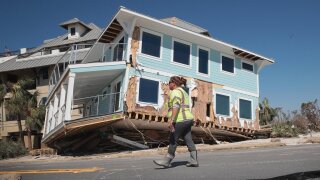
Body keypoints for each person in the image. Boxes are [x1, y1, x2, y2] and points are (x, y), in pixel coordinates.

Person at [153, 76, 198, 168]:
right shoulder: (184, 92)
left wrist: (172, 120)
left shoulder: (175, 92)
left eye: (169, 82)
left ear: (173, 83)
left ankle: (167, 161)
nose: (168, 84)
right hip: (188, 119)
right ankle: (194, 160)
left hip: (180, 119)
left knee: (173, 139)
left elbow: (176, 106)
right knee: (188, 138)